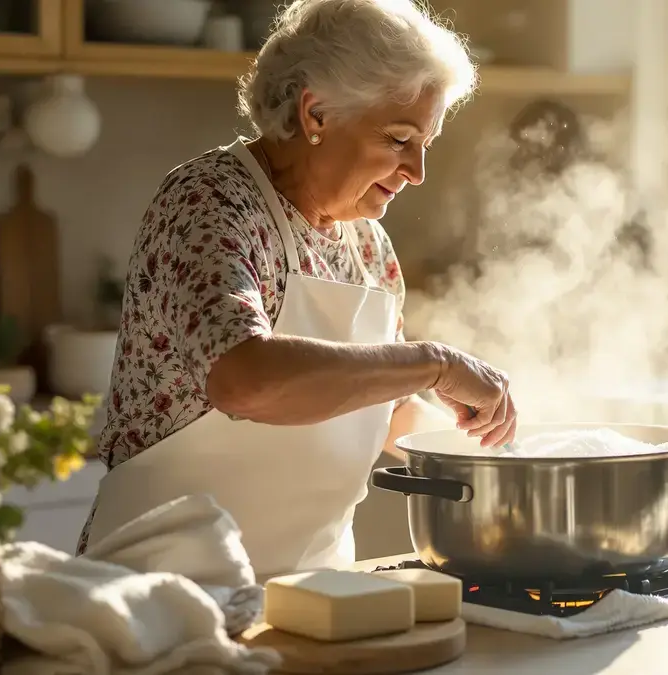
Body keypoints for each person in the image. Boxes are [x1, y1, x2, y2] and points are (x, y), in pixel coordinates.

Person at [77, 0, 517, 578]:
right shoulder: (209, 201)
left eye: (425, 143)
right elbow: (246, 379)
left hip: (312, 599)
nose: (417, 171)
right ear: (316, 115)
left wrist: (490, 451)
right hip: (162, 604)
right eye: (398, 138)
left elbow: (376, 406)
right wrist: (433, 364)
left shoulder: (368, 248)